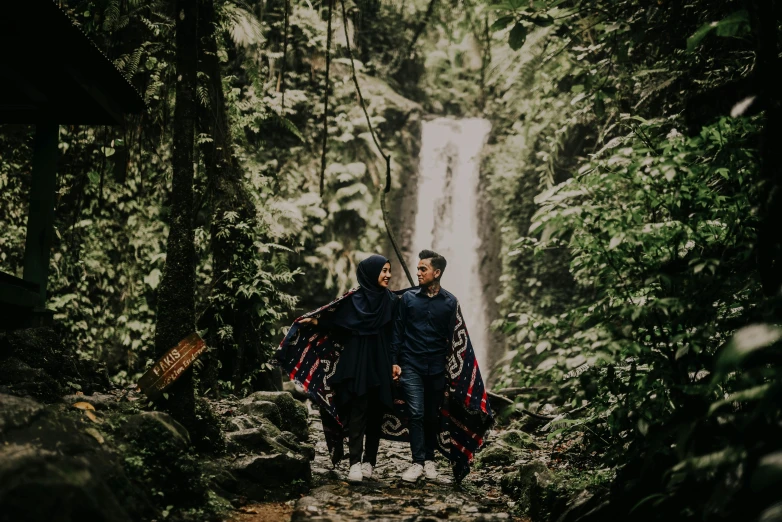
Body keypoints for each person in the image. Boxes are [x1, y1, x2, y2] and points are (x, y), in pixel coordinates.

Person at [288, 255, 397, 483]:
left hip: (381, 360)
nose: (387, 275)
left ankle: (370, 462)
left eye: (389, 270)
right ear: (370, 272)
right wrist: (316, 322)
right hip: (357, 361)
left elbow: (395, 334)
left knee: (377, 412)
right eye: (383, 270)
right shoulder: (353, 299)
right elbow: (339, 324)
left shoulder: (391, 301)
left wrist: (396, 362)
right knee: (358, 410)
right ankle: (354, 463)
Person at [391, 249, 458, 483]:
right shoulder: (408, 299)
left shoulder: (450, 302)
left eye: (423, 269)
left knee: (432, 415)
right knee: (416, 414)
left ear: (436, 273)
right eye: (418, 268)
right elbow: (397, 332)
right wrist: (394, 362)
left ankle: (430, 462)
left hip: (437, 368)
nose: (417, 272)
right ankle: (417, 462)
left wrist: (453, 371)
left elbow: (454, 339)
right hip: (411, 364)